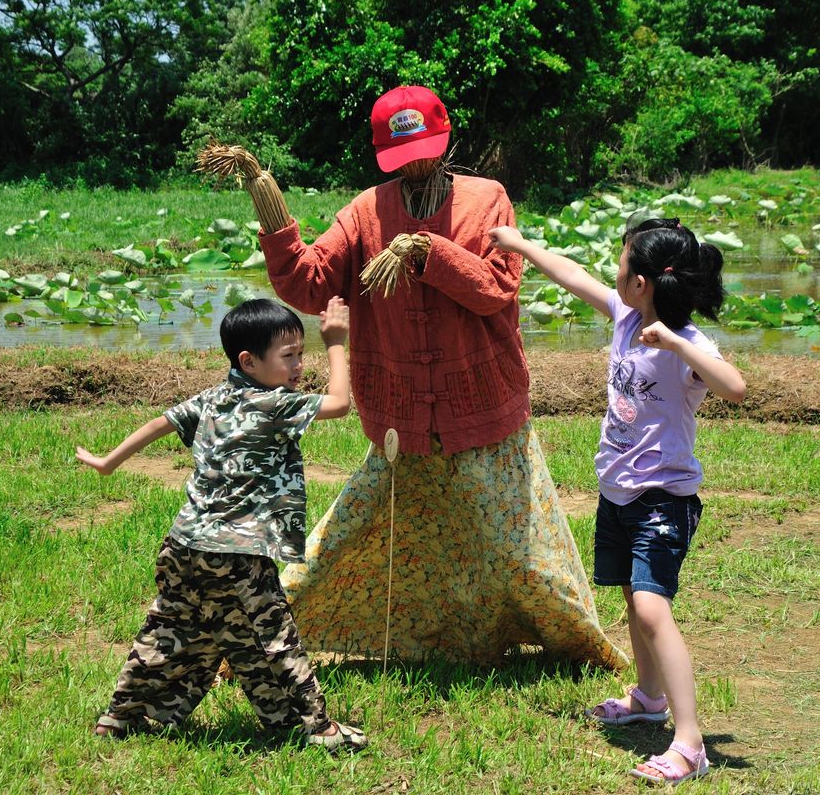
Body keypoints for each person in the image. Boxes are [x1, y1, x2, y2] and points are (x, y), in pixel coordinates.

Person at [252, 85, 623, 668]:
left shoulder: (487, 200)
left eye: (424, 150)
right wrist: (270, 208)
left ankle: (576, 644)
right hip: (401, 422)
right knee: (345, 542)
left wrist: (428, 253)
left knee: (520, 556)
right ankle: (265, 637)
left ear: (445, 142)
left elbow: (497, 288)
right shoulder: (365, 212)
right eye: (402, 158)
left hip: (484, 412)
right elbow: (307, 283)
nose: (416, 166)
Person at [488, 217, 746, 784]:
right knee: (633, 597)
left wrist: (676, 342)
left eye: (624, 261)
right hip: (618, 493)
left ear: (644, 281)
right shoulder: (627, 317)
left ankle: (689, 741)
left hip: (663, 498)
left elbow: (735, 387)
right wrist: (521, 245)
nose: (616, 268)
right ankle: (649, 698)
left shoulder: (690, 345)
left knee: (653, 609)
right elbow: (573, 276)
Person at [75, 297, 368, 754]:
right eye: (288, 355)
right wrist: (335, 342)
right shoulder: (274, 404)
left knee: (171, 630)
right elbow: (339, 403)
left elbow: (160, 422)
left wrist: (109, 462)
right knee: (274, 640)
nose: (297, 365)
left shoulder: (213, 397)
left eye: (301, 353)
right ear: (248, 362)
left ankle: (119, 717)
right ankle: (318, 729)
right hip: (240, 555)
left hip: (184, 546)